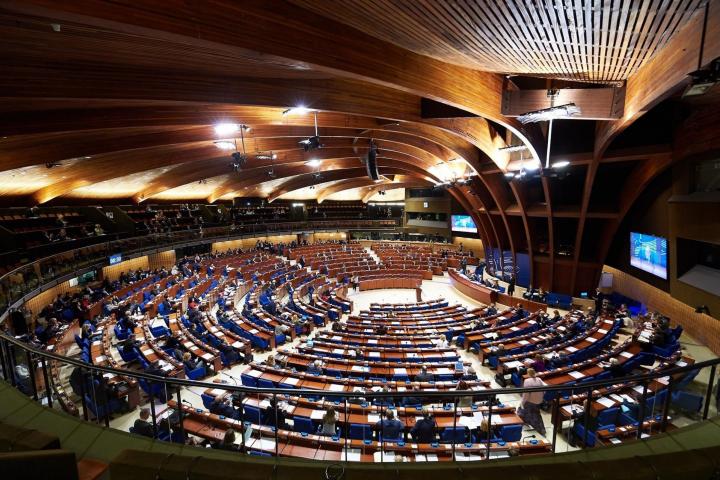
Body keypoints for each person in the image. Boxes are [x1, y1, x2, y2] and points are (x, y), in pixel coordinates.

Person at [518, 368, 546, 435]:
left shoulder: (527, 381)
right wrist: (541, 397)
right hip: (539, 400)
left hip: (530, 401)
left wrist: (522, 403)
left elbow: (526, 395)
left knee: (521, 410)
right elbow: (544, 389)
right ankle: (541, 429)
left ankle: (521, 425)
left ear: (528, 374)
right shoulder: (539, 379)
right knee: (536, 414)